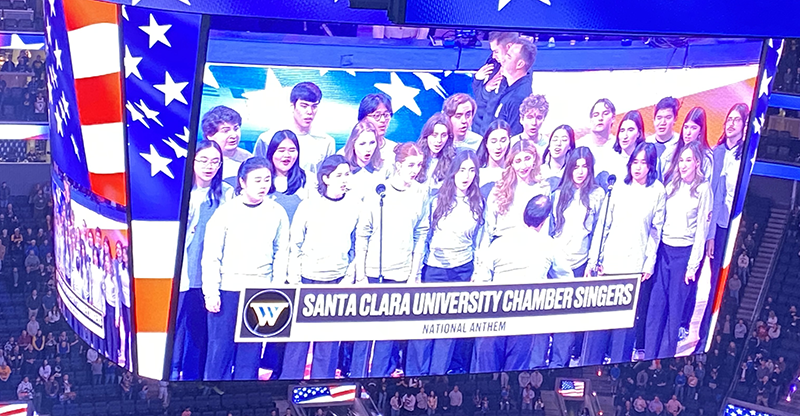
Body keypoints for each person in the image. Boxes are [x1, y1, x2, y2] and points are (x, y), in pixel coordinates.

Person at [202, 157, 290, 380]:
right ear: (242, 182)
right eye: (257, 180)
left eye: (267, 180)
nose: (263, 185)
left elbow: (282, 251)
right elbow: (211, 256)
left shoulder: (277, 211)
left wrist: (276, 289)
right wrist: (211, 292)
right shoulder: (225, 212)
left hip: (260, 292)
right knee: (218, 352)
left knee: (249, 357)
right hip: (227, 290)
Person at [350, 143, 429, 377]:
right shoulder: (379, 190)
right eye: (410, 165)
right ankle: (357, 377)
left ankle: (378, 379)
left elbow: (421, 234)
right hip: (374, 272)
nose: (415, 170)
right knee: (365, 333)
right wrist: (361, 274)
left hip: (402, 274)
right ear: (398, 165)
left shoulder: (420, 192)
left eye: (418, 165)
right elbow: (362, 233)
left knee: (387, 334)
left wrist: (414, 275)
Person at [584, 142, 666, 365]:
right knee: (599, 325)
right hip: (609, 263)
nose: (638, 168)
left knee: (624, 327)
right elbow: (603, 225)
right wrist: (594, 259)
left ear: (651, 166)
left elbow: (655, 231)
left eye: (643, 163)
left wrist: (649, 263)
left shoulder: (658, 190)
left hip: (634, 267)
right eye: (635, 162)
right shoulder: (618, 186)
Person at [406, 150, 486, 376]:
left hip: (462, 271)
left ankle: (437, 376)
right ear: (453, 172)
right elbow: (423, 237)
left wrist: (477, 272)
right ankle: (415, 375)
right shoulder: (436, 199)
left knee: (448, 330)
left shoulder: (478, 202)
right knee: (424, 327)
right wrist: (416, 273)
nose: (466, 176)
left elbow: (480, 241)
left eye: (471, 170)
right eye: (462, 170)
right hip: (434, 270)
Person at [473, 194, 571, 372]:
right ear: (545, 220)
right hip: (524, 322)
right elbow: (566, 281)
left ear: (523, 213)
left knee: (486, 375)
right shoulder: (550, 245)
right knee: (514, 375)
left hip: (494, 319)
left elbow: (482, 279)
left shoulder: (499, 243)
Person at [283, 155, 360, 379]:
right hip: (307, 280)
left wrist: (348, 277)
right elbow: (294, 243)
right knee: (298, 343)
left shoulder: (356, 206)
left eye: (347, 174)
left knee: (328, 344)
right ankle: (288, 386)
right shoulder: (308, 206)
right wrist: (295, 278)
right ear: (325, 178)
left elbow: (358, 244)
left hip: (337, 281)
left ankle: (321, 388)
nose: (344, 179)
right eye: (339, 175)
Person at [172, 140, 233, 381]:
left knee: (200, 333)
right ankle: (173, 372)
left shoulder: (226, 194)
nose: (210, 166)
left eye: (215, 161)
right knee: (176, 330)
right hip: (182, 273)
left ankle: (193, 378)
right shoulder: (179, 192)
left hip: (208, 277)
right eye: (203, 160)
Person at [645, 142, 712, 359]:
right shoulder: (670, 185)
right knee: (656, 308)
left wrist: (693, 265)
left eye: (688, 160)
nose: (683, 165)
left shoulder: (703, 189)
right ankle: (648, 356)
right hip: (664, 251)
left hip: (684, 255)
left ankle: (663, 358)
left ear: (697, 163)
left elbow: (702, 230)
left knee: (675, 311)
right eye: (681, 160)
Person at [697, 103, 750, 352]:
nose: (730, 123)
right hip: (710, 225)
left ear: (744, 126)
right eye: (729, 119)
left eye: (736, 120)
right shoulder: (715, 152)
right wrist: (708, 234)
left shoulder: (746, 155)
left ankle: (711, 327)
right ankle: (694, 326)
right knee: (703, 274)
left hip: (730, 225)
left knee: (721, 279)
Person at [549, 147, 606, 367]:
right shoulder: (558, 193)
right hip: (555, 265)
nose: (580, 171)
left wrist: (593, 261)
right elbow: (552, 229)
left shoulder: (598, 195)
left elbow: (598, 231)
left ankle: (559, 363)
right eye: (576, 166)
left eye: (585, 167)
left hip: (581, 264)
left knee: (568, 320)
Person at [255, 82, 335, 176]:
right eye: (304, 106)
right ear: (292, 106)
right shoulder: (267, 139)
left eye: (314, 106)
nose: (309, 111)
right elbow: (255, 171)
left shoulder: (326, 142)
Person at [486, 140, 551, 241]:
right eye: (518, 161)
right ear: (512, 164)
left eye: (527, 159)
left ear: (534, 159)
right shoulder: (500, 188)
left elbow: (545, 225)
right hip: (502, 244)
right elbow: (488, 225)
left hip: (530, 243)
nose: (523, 166)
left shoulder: (543, 188)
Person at [472, 31, 519, 136]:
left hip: (496, 137)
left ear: (509, 47)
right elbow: (477, 98)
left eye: (496, 51)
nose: (493, 56)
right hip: (479, 131)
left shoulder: (517, 76)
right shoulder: (493, 64)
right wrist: (478, 80)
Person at [490, 37, 536, 136]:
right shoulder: (508, 86)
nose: (504, 59)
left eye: (509, 56)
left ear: (520, 64)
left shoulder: (518, 99)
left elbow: (514, 138)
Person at [263, 130, 310, 221]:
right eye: (281, 150)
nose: (287, 155)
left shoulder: (309, 179)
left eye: (292, 150)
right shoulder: (262, 179)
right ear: (271, 153)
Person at [201, 106, 251, 187]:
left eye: (236, 129)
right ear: (209, 135)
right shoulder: (199, 160)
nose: (233, 135)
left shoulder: (247, 159)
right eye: (226, 131)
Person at [663, 107, 713, 183]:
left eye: (693, 128)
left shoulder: (706, 157)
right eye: (686, 127)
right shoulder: (671, 151)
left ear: (700, 131)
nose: (688, 133)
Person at [342, 120, 386, 200]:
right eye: (362, 144)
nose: (368, 149)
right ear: (353, 145)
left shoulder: (384, 168)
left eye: (372, 143)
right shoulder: (342, 168)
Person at [416, 113, 457, 195]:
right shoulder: (415, 158)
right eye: (434, 135)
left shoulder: (453, 162)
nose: (439, 140)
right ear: (426, 135)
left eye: (443, 135)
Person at [645, 97, 681, 178]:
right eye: (659, 118)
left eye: (668, 118)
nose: (662, 122)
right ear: (653, 120)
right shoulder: (646, 143)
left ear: (675, 119)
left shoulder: (681, 144)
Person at [577, 98, 617, 166]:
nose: (600, 118)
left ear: (613, 118)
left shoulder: (618, 145)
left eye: (605, 113)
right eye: (596, 115)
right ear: (591, 120)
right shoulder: (579, 146)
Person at [476, 120, 512, 192]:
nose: (498, 146)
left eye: (503, 140)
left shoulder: (512, 172)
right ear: (486, 143)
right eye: (493, 141)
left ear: (509, 140)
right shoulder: (477, 173)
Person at [610, 111, 645, 181]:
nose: (625, 135)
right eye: (622, 130)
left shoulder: (646, 160)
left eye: (630, 130)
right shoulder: (610, 158)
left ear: (639, 133)